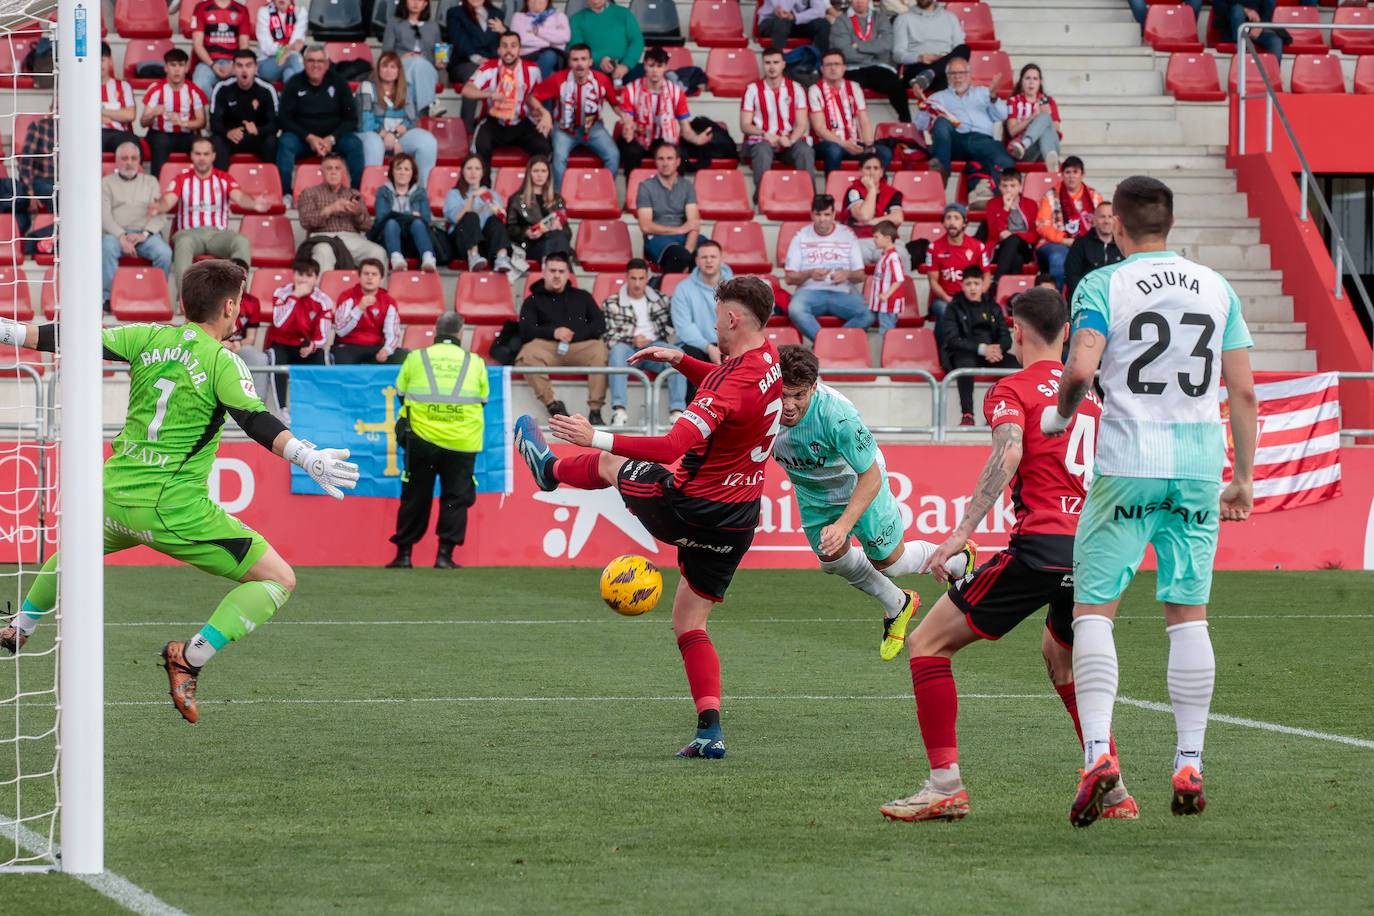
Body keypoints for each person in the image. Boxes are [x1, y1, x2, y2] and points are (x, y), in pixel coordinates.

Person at [0, 259, 360, 726]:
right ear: (230, 307)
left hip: (110, 497)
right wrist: (306, 456)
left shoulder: (148, 336)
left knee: (75, 552)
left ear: (183, 303)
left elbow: (61, 338)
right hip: (170, 510)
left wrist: (7, 331)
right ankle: (189, 658)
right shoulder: (221, 360)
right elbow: (254, 419)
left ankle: (19, 628)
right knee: (278, 579)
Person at [1043, 176, 1257, 827]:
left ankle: (1099, 753)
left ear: (1119, 226)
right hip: (1196, 468)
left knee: (1094, 615)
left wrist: (1059, 417)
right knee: (1188, 616)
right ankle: (1189, 759)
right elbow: (1243, 393)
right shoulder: (1218, 287)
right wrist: (1242, 477)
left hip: (1127, 466)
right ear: (1169, 221)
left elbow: (1080, 369)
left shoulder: (1104, 284)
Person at [879, 287, 1137, 823]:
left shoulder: (1010, 389)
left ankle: (943, 785)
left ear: (1015, 332)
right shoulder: (1091, 395)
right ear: (1067, 333)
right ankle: (1113, 791)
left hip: (1040, 548)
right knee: (1061, 657)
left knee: (926, 643)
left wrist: (958, 535)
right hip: (1094, 551)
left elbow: (1009, 451)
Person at [512, 275, 783, 759]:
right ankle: (709, 732)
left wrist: (594, 435)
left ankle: (549, 470)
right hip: (739, 520)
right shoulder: (770, 360)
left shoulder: (727, 382)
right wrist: (683, 360)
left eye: (718, 315)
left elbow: (672, 446)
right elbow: (733, 395)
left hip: (690, 507)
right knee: (689, 623)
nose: (714, 323)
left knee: (611, 464)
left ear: (732, 319)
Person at [771, 344, 974, 660]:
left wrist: (844, 524)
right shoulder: (759, 405)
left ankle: (958, 558)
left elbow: (870, 476)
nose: (789, 405)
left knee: (890, 563)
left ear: (813, 387)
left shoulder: (837, 416)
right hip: (812, 491)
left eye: (799, 395)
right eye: (784, 394)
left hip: (859, 484)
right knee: (832, 560)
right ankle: (897, 603)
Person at [387, 312, 488, 570]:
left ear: (435, 330)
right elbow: (483, 398)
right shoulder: (475, 362)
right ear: (461, 333)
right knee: (455, 497)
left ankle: (404, 555)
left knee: (415, 495)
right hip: (462, 440)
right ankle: (444, 556)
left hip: (422, 438)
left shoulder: (416, 358)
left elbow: (400, 393)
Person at [152, 137, 269, 306]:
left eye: (206, 154)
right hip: (190, 234)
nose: (202, 158)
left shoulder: (224, 178)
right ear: (191, 155)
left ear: (213, 156)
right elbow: (168, 200)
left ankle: (238, 299)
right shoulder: (181, 179)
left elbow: (240, 197)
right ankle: (185, 302)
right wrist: (159, 206)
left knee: (241, 241)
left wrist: (253, 203)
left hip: (217, 235)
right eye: (198, 153)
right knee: (183, 242)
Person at [514, 251, 609, 421]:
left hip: (579, 347)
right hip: (548, 349)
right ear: (544, 273)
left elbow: (600, 324)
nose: (557, 275)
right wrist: (553, 332)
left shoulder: (582, 296)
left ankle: (595, 411)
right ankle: (553, 405)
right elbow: (525, 330)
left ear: (568, 274)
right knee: (526, 354)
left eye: (561, 271)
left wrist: (576, 335)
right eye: (552, 271)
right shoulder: (533, 300)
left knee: (599, 348)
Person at [916, 56, 1013, 208]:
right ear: (947, 77)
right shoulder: (938, 97)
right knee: (941, 122)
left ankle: (1005, 197)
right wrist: (922, 105)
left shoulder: (983, 93)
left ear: (969, 75)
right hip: (955, 143)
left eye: (961, 72)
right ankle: (939, 174)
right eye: (953, 73)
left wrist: (994, 97)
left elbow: (1002, 115)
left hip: (981, 141)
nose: (957, 77)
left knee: (999, 152)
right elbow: (920, 125)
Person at [603, 258, 687, 427]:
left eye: (641, 278)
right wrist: (632, 339)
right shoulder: (612, 302)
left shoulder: (661, 300)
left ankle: (677, 411)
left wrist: (657, 339)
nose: (637, 283)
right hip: (628, 350)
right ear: (627, 277)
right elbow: (608, 335)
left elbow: (673, 325)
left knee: (678, 354)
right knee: (617, 351)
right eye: (633, 278)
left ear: (647, 278)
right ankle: (619, 411)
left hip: (654, 347)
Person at [529, 43, 624, 190]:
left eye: (583, 59)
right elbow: (532, 98)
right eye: (575, 59)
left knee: (613, 155)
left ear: (591, 62)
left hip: (594, 128)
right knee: (559, 158)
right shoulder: (558, 79)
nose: (579, 64)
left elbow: (615, 104)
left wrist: (626, 117)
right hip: (563, 128)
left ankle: (603, 195)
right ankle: (557, 200)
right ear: (569, 62)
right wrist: (544, 112)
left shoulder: (602, 80)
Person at [277, 46, 365, 198]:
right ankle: (285, 194)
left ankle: (356, 193)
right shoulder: (293, 83)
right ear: (304, 63)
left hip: (334, 138)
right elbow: (284, 120)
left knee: (354, 143)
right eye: (311, 60)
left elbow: (351, 119)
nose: (315, 65)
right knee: (285, 142)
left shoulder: (339, 83)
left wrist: (331, 138)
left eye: (320, 61)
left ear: (327, 64)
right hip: (302, 139)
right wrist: (309, 137)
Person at [616, 46, 717, 175]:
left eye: (659, 66)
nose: (655, 70)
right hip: (638, 136)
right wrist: (627, 128)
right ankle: (633, 191)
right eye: (651, 66)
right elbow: (628, 119)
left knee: (679, 155)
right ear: (645, 66)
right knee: (630, 151)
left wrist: (697, 139)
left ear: (665, 67)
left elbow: (685, 128)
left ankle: (675, 193)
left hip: (665, 139)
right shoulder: (630, 89)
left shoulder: (676, 92)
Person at [784, 194, 871, 343]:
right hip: (809, 292)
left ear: (833, 215)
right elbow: (789, 278)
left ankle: (829, 345)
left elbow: (860, 275)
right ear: (812, 214)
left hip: (843, 293)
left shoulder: (847, 235)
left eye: (826, 214)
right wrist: (809, 273)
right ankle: (828, 345)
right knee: (795, 309)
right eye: (818, 214)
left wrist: (847, 274)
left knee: (869, 313)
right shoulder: (801, 236)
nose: (822, 219)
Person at [940, 265, 1019, 425]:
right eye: (968, 284)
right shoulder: (953, 308)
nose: (973, 288)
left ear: (983, 284)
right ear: (962, 286)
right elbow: (952, 339)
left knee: (1016, 367)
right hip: (964, 353)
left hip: (992, 353)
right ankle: (967, 414)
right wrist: (982, 349)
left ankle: (1000, 413)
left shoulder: (993, 306)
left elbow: (1006, 337)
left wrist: (997, 349)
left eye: (976, 284)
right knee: (965, 366)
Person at [102, 142, 172, 311]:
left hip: (145, 235)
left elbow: (159, 213)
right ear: (117, 161)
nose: (129, 162)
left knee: (165, 253)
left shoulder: (151, 181)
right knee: (107, 247)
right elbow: (104, 215)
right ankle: (111, 298)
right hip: (117, 234)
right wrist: (121, 236)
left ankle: (156, 297)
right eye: (125, 158)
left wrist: (145, 234)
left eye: (133, 158)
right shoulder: (106, 182)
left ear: (139, 161)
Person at [463, 31, 553, 161]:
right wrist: (489, 94)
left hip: (522, 122)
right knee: (480, 148)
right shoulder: (489, 68)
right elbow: (467, 90)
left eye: (513, 46)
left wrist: (543, 112)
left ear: (520, 50)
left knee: (543, 148)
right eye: (504, 46)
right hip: (494, 122)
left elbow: (532, 96)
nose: (509, 50)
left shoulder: (532, 70)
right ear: (499, 50)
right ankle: (484, 182)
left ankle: (532, 181)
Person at [355, 51, 440, 189]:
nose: (388, 71)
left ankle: (423, 193)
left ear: (399, 70)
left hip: (396, 137)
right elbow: (366, 123)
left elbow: (411, 120)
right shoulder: (366, 87)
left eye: (393, 67)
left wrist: (394, 135)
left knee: (427, 141)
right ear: (378, 69)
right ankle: (372, 193)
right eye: (385, 66)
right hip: (372, 135)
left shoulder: (406, 88)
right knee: (374, 142)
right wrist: (389, 137)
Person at [740, 49, 816, 199]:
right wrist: (764, 134)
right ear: (762, 64)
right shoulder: (752, 90)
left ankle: (811, 198)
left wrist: (791, 139)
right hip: (763, 141)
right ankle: (761, 198)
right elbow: (745, 125)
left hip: (789, 141)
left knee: (805, 151)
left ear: (783, 65)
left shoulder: (796, 89)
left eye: (776, 62)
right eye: (767, 63)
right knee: (762, 150)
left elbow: (802, 124)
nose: (772, 67)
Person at [296, 152, 389, 274]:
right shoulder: (309, 193)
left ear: (343, 172)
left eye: (337, 168)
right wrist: (331, 209)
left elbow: (368, 226)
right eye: (329, 168)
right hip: (323, 237)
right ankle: (322, 293)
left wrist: (357, 214)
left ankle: (376, 293)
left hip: (352, 238)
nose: (333, 172)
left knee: (378, 252)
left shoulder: (354, 194)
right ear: (322, 172)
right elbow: (306, 221)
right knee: (324, 251)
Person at [266, 257, 334, 412]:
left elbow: (323, 334)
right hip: (282, 344)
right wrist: (295, 297)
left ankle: (318, 408)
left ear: (316, 278)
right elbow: (279, 323)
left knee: (321, 355)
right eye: (300, 275)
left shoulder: (324, 300)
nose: (303, 280)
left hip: (306, 347)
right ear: (293, 275)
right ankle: (282, 410)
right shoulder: (281, 293)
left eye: (309, 276)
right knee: (276, 357)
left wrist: (313, 345)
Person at [809, 50, 889, 174]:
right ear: (822, 69)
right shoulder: (814, 91)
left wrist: (868, 145)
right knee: (834, 150)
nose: (833, 68)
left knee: (884, 152)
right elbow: (819, 128)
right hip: (826, 144)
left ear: (844, 68)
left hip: (854, 142)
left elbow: (864, 120)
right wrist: (843, 144)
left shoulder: (855, 87)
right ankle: (832, 192)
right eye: (829, 65)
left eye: (837, 64)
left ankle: (876, 190)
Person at [830, 0, 911, 123]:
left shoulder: (880, 18)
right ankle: (847, 128)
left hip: (878, 67)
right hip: (852, 68)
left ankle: (907, 125)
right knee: (847, 90)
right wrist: (872, 54)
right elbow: (844, 52)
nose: (859, 2)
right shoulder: (841, 21)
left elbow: (886, 44)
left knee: (897, 86)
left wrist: (859, 46)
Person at [923, 202, 990, 345]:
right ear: (943, 223)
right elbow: (933, 281)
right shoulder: (934, 247)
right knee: (945, 309)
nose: (952, 222)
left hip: (972, 296)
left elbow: (987, 277)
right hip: (945, 298)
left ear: (964, 223)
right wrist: (948, 299)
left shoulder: (978, 246)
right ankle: (942, 353)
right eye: (948, 218)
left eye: (956, 218)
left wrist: (975, 297)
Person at [1036, 156, 1102, 289]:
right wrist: (1064, 240)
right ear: (1062, 174)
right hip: (1055, 244)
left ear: (1082, 175)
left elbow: (1101, 224)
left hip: (1087, 243)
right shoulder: (1050, 195)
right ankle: (1057, 303)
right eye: (1067, 172)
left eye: (1075, 172)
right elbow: (1042, 226)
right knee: (1059, 258)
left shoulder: (1094, 196)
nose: (1071, 176)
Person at [141, 48, 209, 178]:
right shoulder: (156, 89)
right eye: (173, 65)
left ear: (187, 68)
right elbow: (143, 122)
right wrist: (152, 114)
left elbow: (201, 121)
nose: (177, 70)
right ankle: (159, 185)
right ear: (166, 67)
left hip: (187, 135)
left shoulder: (194, 90)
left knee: (202, 146)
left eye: (181, 65)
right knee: (161, 141)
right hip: (160, 134)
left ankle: (202, 184)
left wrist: (183, 123)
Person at [209, 50, 279, 171]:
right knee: (216, 141)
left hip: (257, 138)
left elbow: (276, 123)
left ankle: (269, 183)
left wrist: (258, 130)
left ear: (256, 68)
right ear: (233, 68)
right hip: (231, 138)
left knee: (271, 141)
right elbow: (214, 123)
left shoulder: (267, 89)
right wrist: (227, 133)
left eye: (248, 65)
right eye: (239, 66)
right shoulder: (222, 88)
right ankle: (222, 185)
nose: (244, 70)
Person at [635, 143, 700, 274]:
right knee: (678, 256)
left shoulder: (687, 186)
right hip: (658, 238)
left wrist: (687, 253)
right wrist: (680, 230)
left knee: (707, 254)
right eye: (661, 159)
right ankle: (666, 292)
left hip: (684, 238)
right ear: (656, 162)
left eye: (669, 158)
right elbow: (646, 226)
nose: (665, 163)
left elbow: (694, 224)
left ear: (678, 162)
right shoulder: (646, 187)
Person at [670, 240, 733, 373]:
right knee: (689, 358)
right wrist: (708, 348)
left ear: (721, 259)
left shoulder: (735, 287)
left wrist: (730, 346)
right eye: (704, 257)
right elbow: (684, 327)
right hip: (695, 346)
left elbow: (740, 321)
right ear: (697, 260)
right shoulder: (683, 289)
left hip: (728, 344)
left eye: (713, 257)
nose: (708, 261)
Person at [445, 154, 514, 272]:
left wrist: (493, 205)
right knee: (471, 216)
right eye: (469, 168)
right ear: (462, 171)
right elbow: (456, 218)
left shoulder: (492, 194)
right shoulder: (454, 194)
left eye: (477, 169)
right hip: (462, 242)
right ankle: (473, 256)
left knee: (495, 220)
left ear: (482, 173)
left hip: (485, 242)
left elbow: (501, 219)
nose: (473, 172)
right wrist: (471, 197)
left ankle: (501, 257)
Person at [373, 153, 439, 272]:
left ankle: (428, 258)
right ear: (392, 172)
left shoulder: (420, 192)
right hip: (390, 237)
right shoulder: (382, 192)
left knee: (418, 224)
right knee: (391, 223)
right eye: (398, 168)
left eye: (406, 169)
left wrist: (396, 215)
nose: (402, 172)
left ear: (412, 173)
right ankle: (396, 259)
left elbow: (426, 219)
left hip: (414, 240)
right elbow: (381, 218)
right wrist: (410, 215)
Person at [226, 257, 276, 413]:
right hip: (216, 344)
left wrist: (238, 345)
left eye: (243, 275)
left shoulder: (252, 302)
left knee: (260, 358)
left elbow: (252, 337)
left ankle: (257, 406)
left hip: (239, 345)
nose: (239, 279)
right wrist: (220, 344)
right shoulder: (216, 297)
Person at [447, 0, 508, 128]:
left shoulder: (497, 14)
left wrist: (503, 30)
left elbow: (507, 41)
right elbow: (458, 41)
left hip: (492, 63)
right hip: (465, 63)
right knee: (475, 76)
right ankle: (466, 129)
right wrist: (478, 59)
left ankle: (498, 127)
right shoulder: (455, 13)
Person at [332, 258, 403, 364]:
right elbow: (340, 331)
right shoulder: (347, 296)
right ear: (359, 277)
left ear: (381, 279)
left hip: (376, 347)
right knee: (343, 364)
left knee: (402, 358)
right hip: (348, 345)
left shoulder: (388, 301)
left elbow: (392, 332)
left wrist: (386, 350)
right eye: (366, 274)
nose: (369, 278)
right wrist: (359, 309)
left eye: (374, 274)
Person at [840, 152, 905, 266]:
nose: (872, 172)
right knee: (855, 255)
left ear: (881, 172)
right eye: (868, 168)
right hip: (861, 240)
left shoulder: (891, 192)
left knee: (901, 255)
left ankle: (900, 285)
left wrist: (872, 222)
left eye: (876, 168)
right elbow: (865, 215)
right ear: (860, 171)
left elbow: (898, 218)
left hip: (887, 240)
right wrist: (872, 190)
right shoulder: (854, 191)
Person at [505, 155, 570, 265]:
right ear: (529, 173)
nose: (540, 175)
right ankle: (567, 279)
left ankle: (550, 269)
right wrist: (526, 232)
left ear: (548, 174)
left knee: (557, 236)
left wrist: (560, 228)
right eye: (536, 171)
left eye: (543, 171)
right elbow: (509, 228)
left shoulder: (557, 199)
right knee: (559, 251)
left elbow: (568, 233)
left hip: (554, 242)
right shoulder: (516, 199)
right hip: (530, 245)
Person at [892, 0, 969, 94]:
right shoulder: (903, 18)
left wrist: (943, 59)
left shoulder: (950, 17)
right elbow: (897, 54)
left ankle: (931, 73)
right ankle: (930, 75)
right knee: (945, 80)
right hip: (917, 67)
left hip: (944, 64)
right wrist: (919, 58)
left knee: (964, 49)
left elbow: (959, 49)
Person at [383, 0, 443, 118]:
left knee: (420, 64)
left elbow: (437, 54)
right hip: (401, 64)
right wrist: (401, 58)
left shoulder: (433, 26)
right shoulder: (394, 23)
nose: (416, 3)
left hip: (427, 68)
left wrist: (440, 62)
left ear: (425, 4)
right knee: (416, 63)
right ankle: (429, 104)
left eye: (420, 0)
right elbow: (387, 53)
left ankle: (410, 114)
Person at [568, 0, 644, 87]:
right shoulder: (577, 18)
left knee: (646, 73)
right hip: (593, 66)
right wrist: (599, 60)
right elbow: (577, 47)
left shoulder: (624, 13)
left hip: (624, 64)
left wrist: (625, 65)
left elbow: (637, 41)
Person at [982, 169, 1039, 284]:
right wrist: (1005, 209)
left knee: (1013, 239)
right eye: (1005, 186)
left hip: (1025, 247)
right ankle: (1011, 292)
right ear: (999, 187)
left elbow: (1034, 236)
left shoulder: (1030, 204)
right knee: (1017, 259)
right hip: (1001, 248)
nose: (1008, 190)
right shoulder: (992, 204)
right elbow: (994, 234)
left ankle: (997, 280)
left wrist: (1014, 234)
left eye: (1013, 186)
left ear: (1020, 187)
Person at [1004, 63, 1061, 171]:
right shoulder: (1014, 101)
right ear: (1021, 81)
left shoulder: (1049, 101)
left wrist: (1046, 116)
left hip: (1049, 148)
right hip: (1024, 154)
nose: (1031, 82)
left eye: (1035, 79)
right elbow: (1012, 131)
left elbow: (1056, 130)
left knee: (1045, 118)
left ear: (1040, 82)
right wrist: (1032, 117)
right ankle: (1050, 165)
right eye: (1027, 78)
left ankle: (1025, 144)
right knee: (1043, 117)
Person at [189, 0, 253, 97]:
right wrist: (212, 65)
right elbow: (197, 44)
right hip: (208, 63)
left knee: (249, 82)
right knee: (199, 84)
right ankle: (215, 108)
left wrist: (233, 64)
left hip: (234, 63)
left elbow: (244, 45)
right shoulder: (201, 8)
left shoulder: (241, 10)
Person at [1063, 200, 1122, 302]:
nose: (1107, 221)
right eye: (1102, 217)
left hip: (1117, 300)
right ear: (1094, 220)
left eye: (1110, 217)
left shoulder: (1122, 244)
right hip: (1087, 300)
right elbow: (1071, 276)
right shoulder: (1080, 244)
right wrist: (1090, 295)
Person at [512, 0, 571, 78]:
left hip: (552, 57)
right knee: (551, 73)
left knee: (549, 55)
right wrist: (550, 42)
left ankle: (534, 86)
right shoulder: (518, 16)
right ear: (527, 1)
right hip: (527, 56)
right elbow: (519, 39)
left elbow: (565, 37)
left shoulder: (559, 16)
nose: (536, 1)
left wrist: (538, 32)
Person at [100, 42, 140, 155]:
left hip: (118, 134)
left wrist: (99, 112)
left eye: (102, 60)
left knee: (132, 145)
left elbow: (130, 115)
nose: (98, 64)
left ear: (110, 61)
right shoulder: (82, 87)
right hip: (90, 134)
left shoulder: (123, 86)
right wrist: (116, 115)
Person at [256, 0, 307, 83]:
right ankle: (307, 91)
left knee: (289, 73)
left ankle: (291, 95)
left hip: (289, 61)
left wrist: (286, 53)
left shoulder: (300, 12)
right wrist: (287, 50)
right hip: (266, 63)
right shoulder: (264, 12)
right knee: (294, 58)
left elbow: (296, 44)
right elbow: (267, 48)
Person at [756, 0, 835, 53]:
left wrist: (796, 17)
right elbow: (783, 11)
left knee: (822, 24)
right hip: (770, 23)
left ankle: (822, 68)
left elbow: (819, 11)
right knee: (782, 22)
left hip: (795, 22)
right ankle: (779, 69)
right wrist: (792, 17)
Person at [869, 221, 906, 333]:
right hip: (883, 304)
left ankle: (890, 351)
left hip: (888, 304)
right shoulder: (884, 256)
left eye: (877, 237)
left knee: (887, 332)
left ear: (888, 238)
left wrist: (886, 295)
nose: (874, 240)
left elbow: (899, 279)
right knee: (885, 331)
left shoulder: (893, 257)